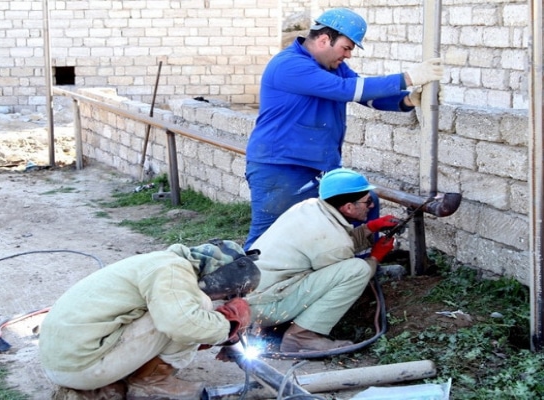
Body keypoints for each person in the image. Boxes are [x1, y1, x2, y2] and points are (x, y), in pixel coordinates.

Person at [244, 7, 444, 249]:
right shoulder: (290, 65)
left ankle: (362, 269)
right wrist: (407, 78)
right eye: (347, 47)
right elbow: (346, 90)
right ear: (324, 40)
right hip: (281, 166)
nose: (348, 55)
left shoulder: (332, 66)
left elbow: (364, 95)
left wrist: (406, 100)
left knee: (365, 203)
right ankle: (245, 285)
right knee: (268, 236)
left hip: (320, 166)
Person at [38, 239, 260, 400]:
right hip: (80, 366)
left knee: (184, 310)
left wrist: (220, 333)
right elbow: (182, 325)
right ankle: (150, 384)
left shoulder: (160, 263)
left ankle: (110, 382)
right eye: (226, 296)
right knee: (198, 306)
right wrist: (228, 325)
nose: (224, 301)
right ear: (218, 277)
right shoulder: (173, 270)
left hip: (65, 361)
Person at [245, 168, 399, 352]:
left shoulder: (308, 207)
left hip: (249, 298)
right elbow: (340, 261)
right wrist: (375, 257)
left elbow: (331, 243)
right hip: (267, 308)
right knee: (358, 269)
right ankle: (301, 337)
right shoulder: (334, 243)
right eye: (368, 201)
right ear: (348, 207)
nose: (372, 206)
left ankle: (262, 327)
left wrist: (371, 227)